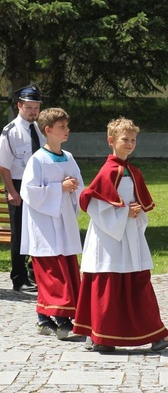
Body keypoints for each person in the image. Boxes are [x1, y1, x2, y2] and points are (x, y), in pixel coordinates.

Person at [73, 118, 168, 352]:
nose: (130, 144)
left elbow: (138, 204)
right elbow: (94, 206)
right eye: (124, 139)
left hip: (130, 236)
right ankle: (101, 337)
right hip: (109, 240)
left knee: (137, 283)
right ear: (111, 141)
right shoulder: (107, 172)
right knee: (109, 286)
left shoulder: (132, 171)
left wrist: (133, 212)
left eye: (133, 140)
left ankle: (153, 335)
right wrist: (126, 212)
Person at [20, 108, 83, 339]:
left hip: (64, 223)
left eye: (67, 126)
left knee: (66, 271)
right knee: (51, 274)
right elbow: (29, 192)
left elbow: (79, 186)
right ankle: (61, 319)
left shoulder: (69, 157)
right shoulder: (38, 159)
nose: (67, 130)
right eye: (62, 127)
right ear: (48, 130)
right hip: (45, 227)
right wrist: (59, 188)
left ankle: (45, 318)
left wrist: (74, 186)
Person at [0, 84, 46, 292]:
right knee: (19, 233)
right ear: (19, 106)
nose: (33, 111)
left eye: (36, 107)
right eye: (29, 107)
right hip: (18, 184)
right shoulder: (10, 131)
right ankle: (19, 278)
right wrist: (11, 191)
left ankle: (35, 273)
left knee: (38, 230)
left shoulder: (40, 129)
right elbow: (4, 166)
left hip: (38, 184)